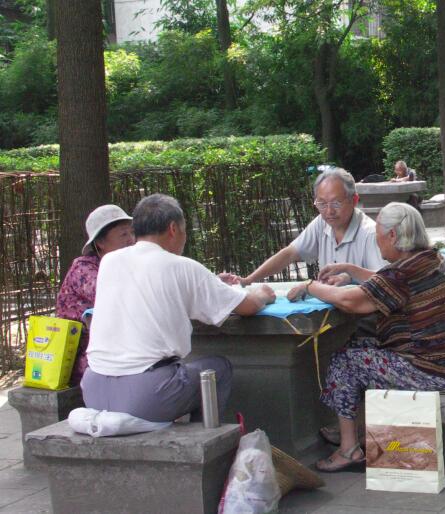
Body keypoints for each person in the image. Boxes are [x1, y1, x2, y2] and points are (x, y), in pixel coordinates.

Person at [289, 202, 445, 471]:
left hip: (430, 370)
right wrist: (351, 270)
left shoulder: (402, 272)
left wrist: (310, 286)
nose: (378, 244)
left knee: (345, 361)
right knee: (354, 344)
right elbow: (381, 280)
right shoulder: (428, 259)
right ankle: (353, 427)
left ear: (393, 236)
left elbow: (353, 303)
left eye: (378, 238)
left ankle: (349, 449)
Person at [81, 194, 277, 422]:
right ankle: (203, 447)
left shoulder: (109, 262)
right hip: (145, 396)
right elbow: (247, 306)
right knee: (218, 369)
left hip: (94, 390)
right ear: (173, 229)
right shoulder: (182, 267)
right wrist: (262, 294)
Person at [221, 167, 386, 292]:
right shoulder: (322, 223)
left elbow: (385, 282)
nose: (329, 211)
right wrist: (248, 280)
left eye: (336, 203)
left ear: (354, 200)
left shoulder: (370, 233)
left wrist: (350, 276)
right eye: (321, 203)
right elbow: (289, 253)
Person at [56, 204, 135, 386]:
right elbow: (119, 298)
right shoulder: (84, 269)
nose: (131, 240)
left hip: (114, 351)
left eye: (131, 233)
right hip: (87, 358)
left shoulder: (121, 266)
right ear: (100, 242)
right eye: (123, 234)